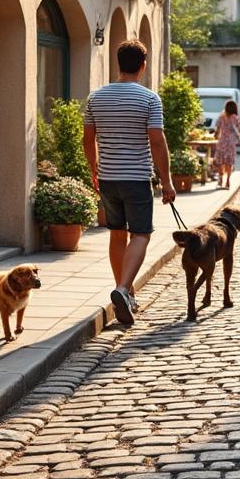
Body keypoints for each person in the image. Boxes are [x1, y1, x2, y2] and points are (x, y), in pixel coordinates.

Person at [83, 40, 175, 326]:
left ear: (118, 63)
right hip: (136, 177)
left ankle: (126, 291)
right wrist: (168, 182)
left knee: (116, 234)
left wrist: (94, 169)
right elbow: (157, 142)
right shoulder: (149, 99)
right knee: (141, 234)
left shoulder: (95, 98)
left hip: (109, 177)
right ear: (143, 66)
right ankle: (123, 289)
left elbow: (88, 139)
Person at [213, 99, 240, 189]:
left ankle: (220, 179)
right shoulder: (235, 117)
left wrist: (215, 135)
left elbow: (217, 128)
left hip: (222, 141)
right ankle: (227, 182)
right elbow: (238, 129)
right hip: (230, 142)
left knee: (220, 161)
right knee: (229, 162)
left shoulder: (221, 116)